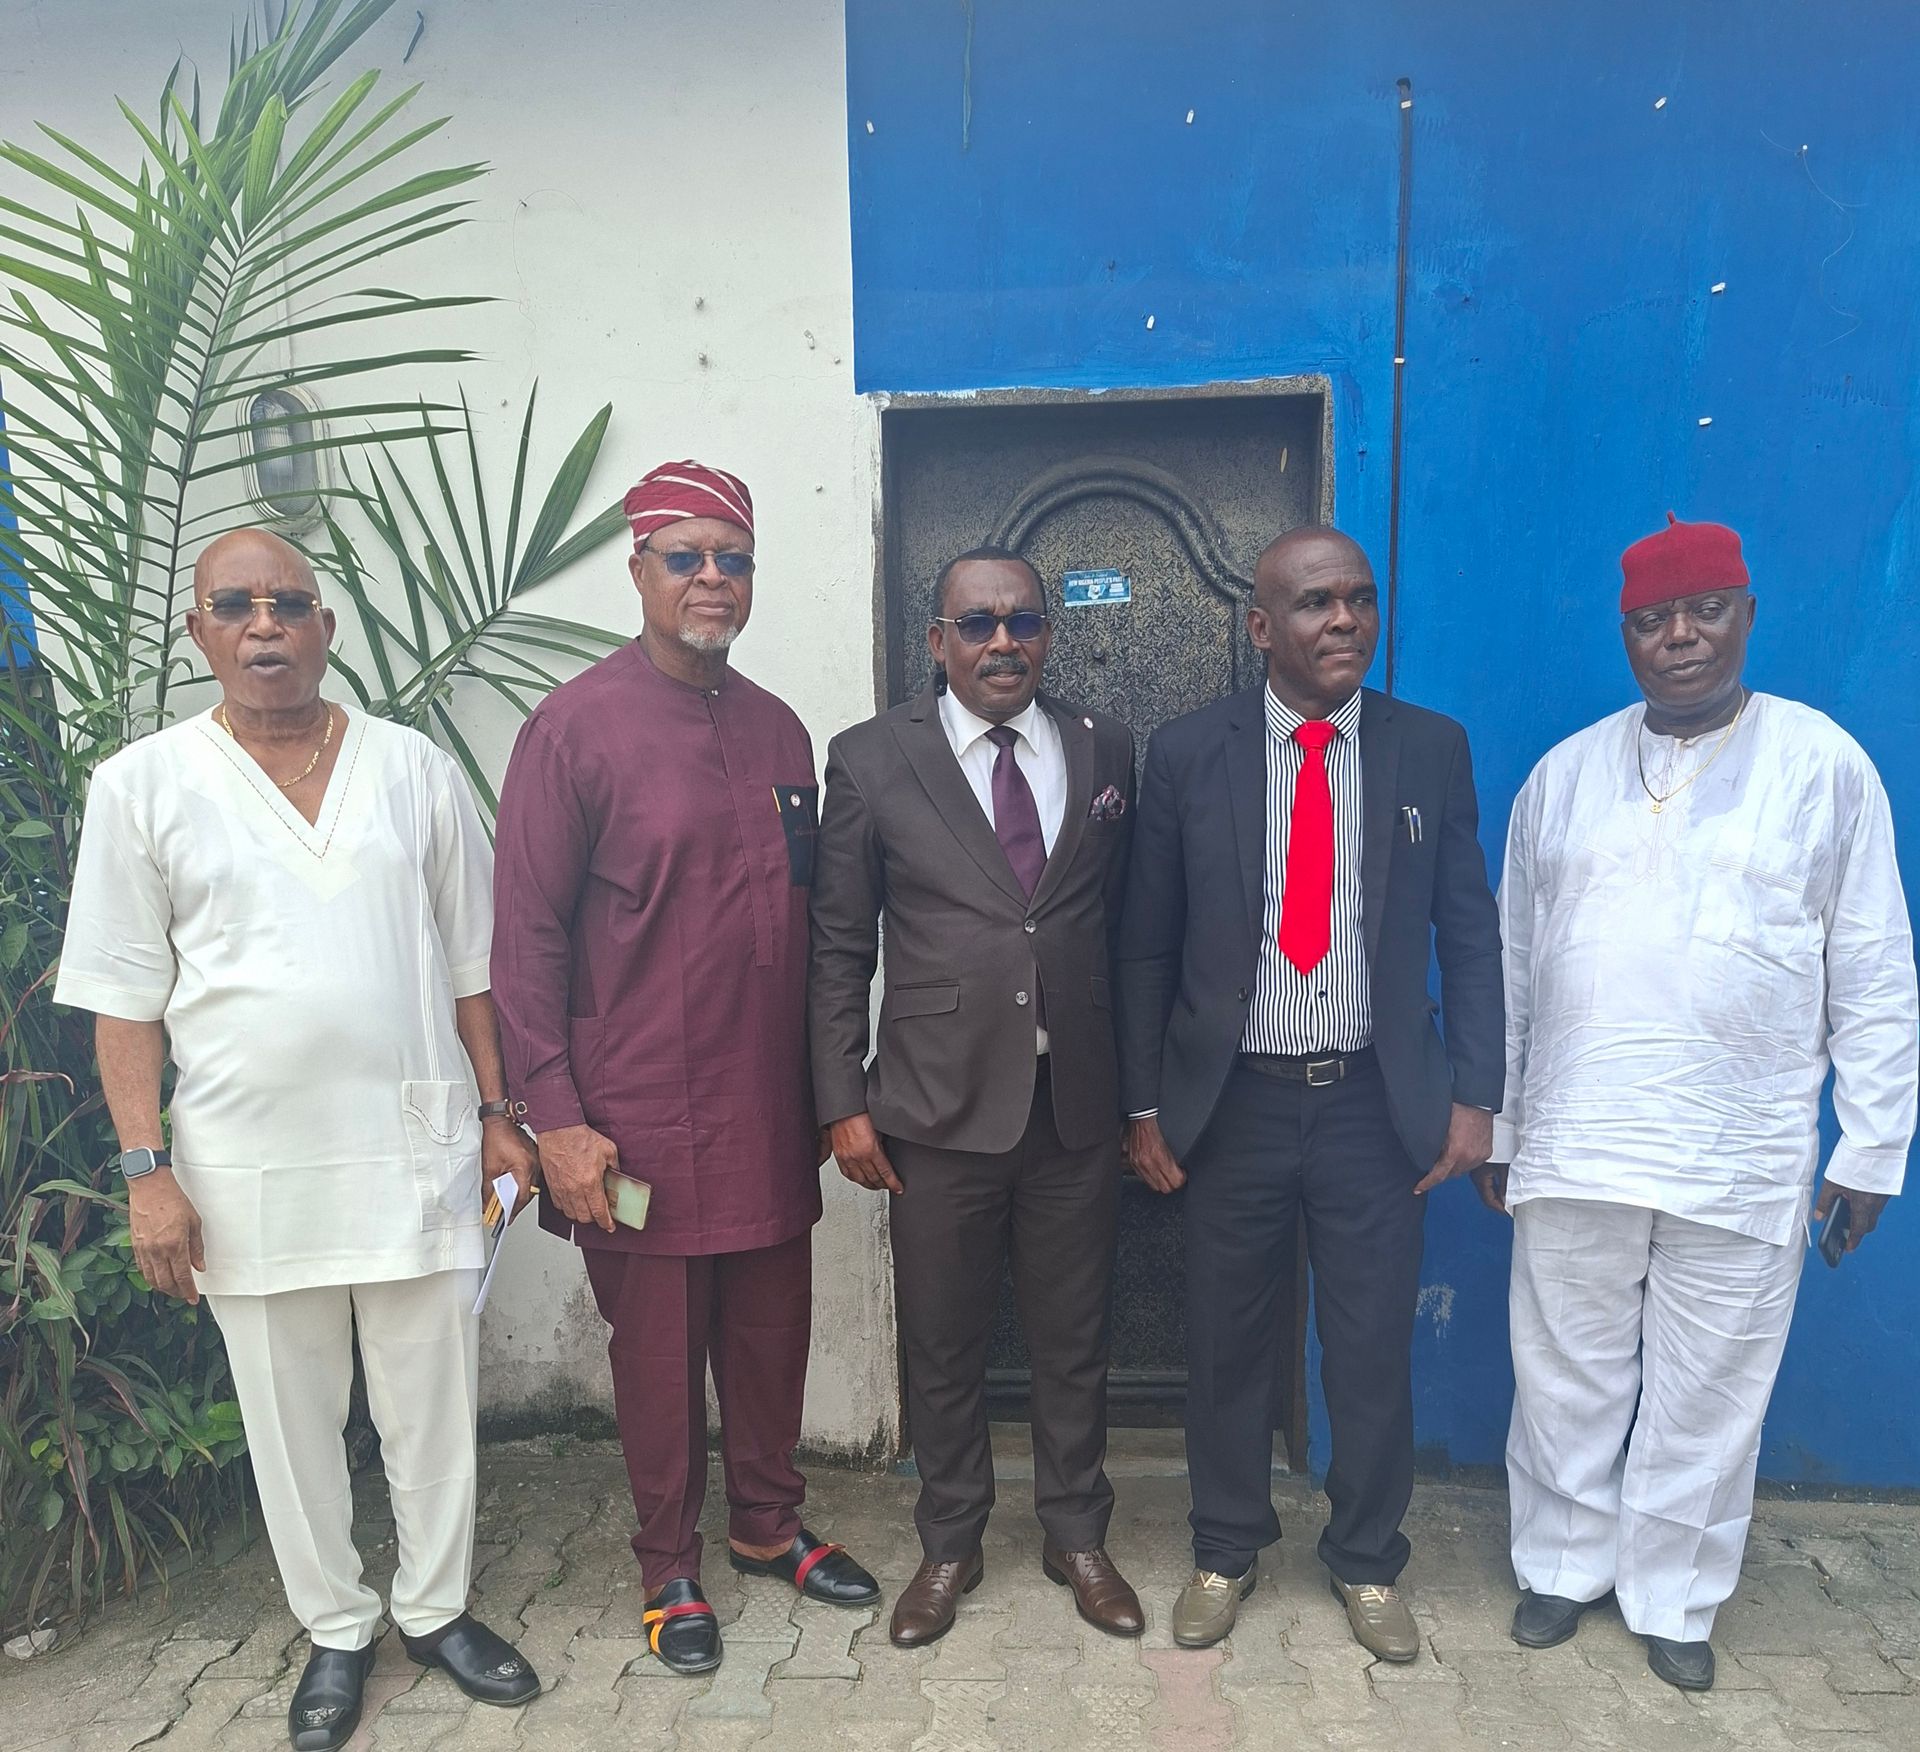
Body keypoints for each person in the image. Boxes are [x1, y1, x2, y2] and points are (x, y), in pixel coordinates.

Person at [55, 530, 540, 1751]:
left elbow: (474, 967)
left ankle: (436, 1610)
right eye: (236, 605)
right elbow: (124, 1001)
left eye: (288, 603)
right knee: (288, 1415)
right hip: (245, 1164)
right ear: (200, 633)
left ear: (326, 627)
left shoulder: (413, 768)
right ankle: (336, 1626)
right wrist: (147, 1172)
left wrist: (499, 1116)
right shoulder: (142, 786)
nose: (264, 624)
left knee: (432, 1401)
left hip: (416, 1142)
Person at [1479, 513, 1918, 1693]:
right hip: (1577, 1135)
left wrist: (1872, 1146)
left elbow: (1874, 965)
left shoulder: (1823, 766)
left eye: (1704, 611)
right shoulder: (1564, 776)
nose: (1679, 637)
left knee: (1711, 1390)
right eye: (1652, 620)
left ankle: (1674, 1593)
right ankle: (1562, 1564)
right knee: (1564, 1373)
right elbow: (1515, 967)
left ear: (1746, 616)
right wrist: (1504, 1122)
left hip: (1742, 1146)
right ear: (1626, 634)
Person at [490, 460, 878, 1678]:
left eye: (734, 559)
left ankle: (766, 1525)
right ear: (640, 569)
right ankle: (668, 1565)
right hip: (634, 1119)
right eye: (687, 556)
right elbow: (525, 941)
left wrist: (828, 1095)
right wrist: (556, 1119)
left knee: (769, 1335)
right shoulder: (572, 729)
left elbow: (810, 925)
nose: (713, 578)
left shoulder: (779, 730)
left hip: (765, 1107)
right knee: (656, 1357)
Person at [1116, 526, 1504, 1660]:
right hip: (1231, 1105)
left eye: (1359, 600)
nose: (1344, 620)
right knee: (1226, 1343)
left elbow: (1469, 934)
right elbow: (1144, 947)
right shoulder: (1190, 753)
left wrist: (1477, 1097)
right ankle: (1226, 1547)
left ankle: (1368, 1561)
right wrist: (1143, 1104)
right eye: (1315, 602)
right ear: (1259, 627)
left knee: (1370, 1345)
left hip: (1374, 1108)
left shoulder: (1429, 747)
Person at [809, 547, 1143, 1647]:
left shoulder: (1102, 745)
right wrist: (842, 1100)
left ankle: (1076, 1534)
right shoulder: (871, 757)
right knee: (943, 1342)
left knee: (1073, 1337)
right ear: (938, 640)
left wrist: (1139, 1094)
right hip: (934, 1109)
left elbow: (1114, 924)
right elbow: (840, 943)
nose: (1003, 642)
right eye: (979, 623)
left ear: (1048, 633)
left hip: (1073, 1104)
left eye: (1023, 621)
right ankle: (950, 1543)